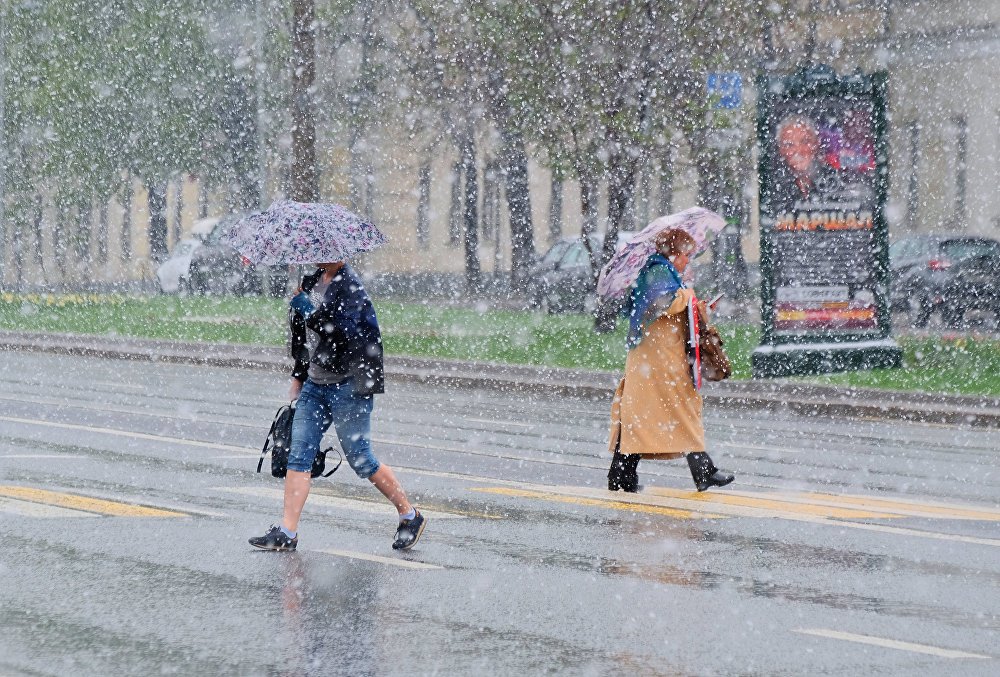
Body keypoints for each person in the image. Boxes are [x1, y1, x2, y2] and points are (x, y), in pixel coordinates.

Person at [249, 261, 426, 552]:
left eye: (323, 248)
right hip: (315, 386)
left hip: (348, 385)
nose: (317, 253)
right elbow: (304, 337)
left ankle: (410, 515)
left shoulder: (351, 287)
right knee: (298, 455)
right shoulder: (311, 281)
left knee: (361, 460)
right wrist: (298, 374)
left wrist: (310, 310)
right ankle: (287, 532)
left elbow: (344, 333)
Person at [607, 228, 735, 493]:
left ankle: (622, 475)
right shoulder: (657, 271)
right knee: (668, 411)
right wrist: (689, 295)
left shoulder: (664, 271)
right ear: (672, 252)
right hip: (656, 359)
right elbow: (665, 303)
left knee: (644, 416)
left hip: (660, 357)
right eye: (685, 254)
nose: (688, 259)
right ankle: (701, 471)